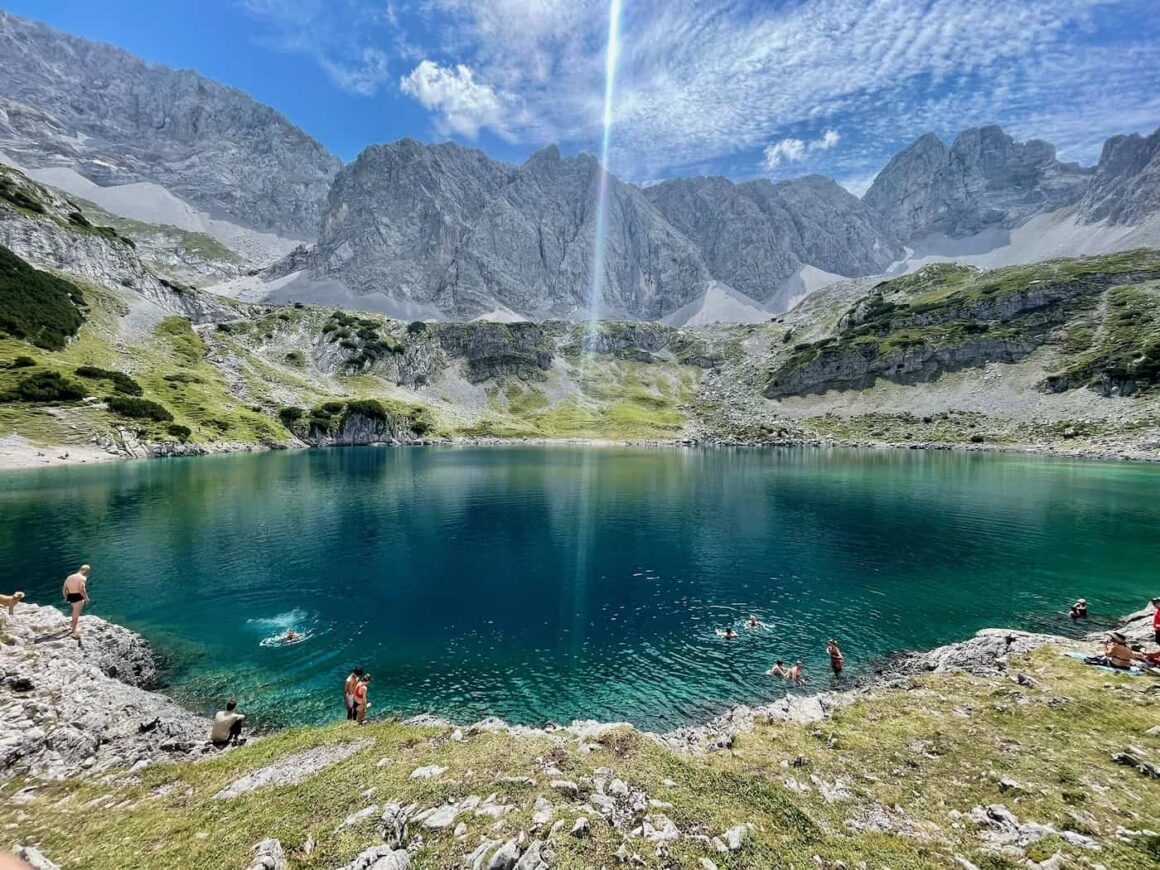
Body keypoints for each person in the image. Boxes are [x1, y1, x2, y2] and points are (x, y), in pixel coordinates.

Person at [61, 564, 91, 637]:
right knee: (76, 613)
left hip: (70, 595)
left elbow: (64, 589)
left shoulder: (69, 577)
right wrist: (86, 598)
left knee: (74, 611)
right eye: (88, 571)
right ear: (85, 570)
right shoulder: (82, 578)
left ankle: (72, 626)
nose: (88, 573)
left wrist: (66, 597)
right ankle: (74, 630)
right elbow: (82, 589)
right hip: (78, 596)